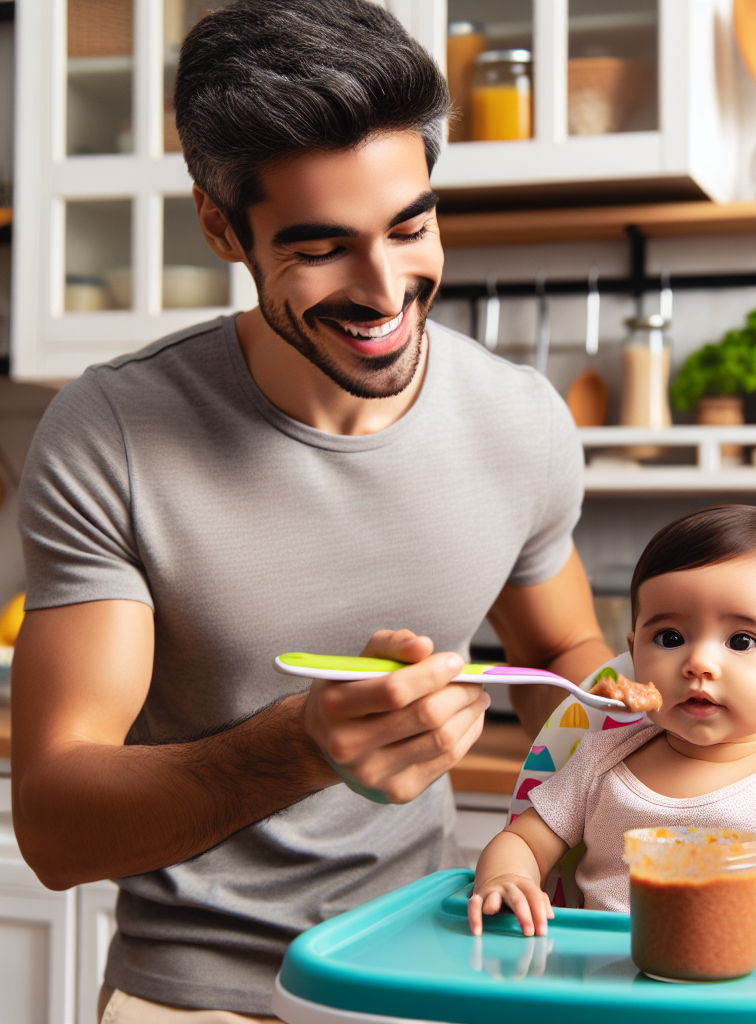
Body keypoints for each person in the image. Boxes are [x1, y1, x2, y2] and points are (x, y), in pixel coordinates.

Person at [11, 2, 613, 1020]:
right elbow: (58, 826)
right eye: (321, 247)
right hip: (191, 994)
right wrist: (303, 747)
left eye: (410, 225)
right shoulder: (110, 430)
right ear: (220, 225)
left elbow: (558, 651)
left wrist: (659, 723)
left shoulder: (521, 421)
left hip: (430, 965)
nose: (385, 291)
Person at [469, 505, 756, 947]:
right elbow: (523, 842)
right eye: (670, 638)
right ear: (635, 652)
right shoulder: (600, 760)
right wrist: (508, 877)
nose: (698, 662)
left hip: (746, 986)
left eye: (741, 641)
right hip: (600, 981)